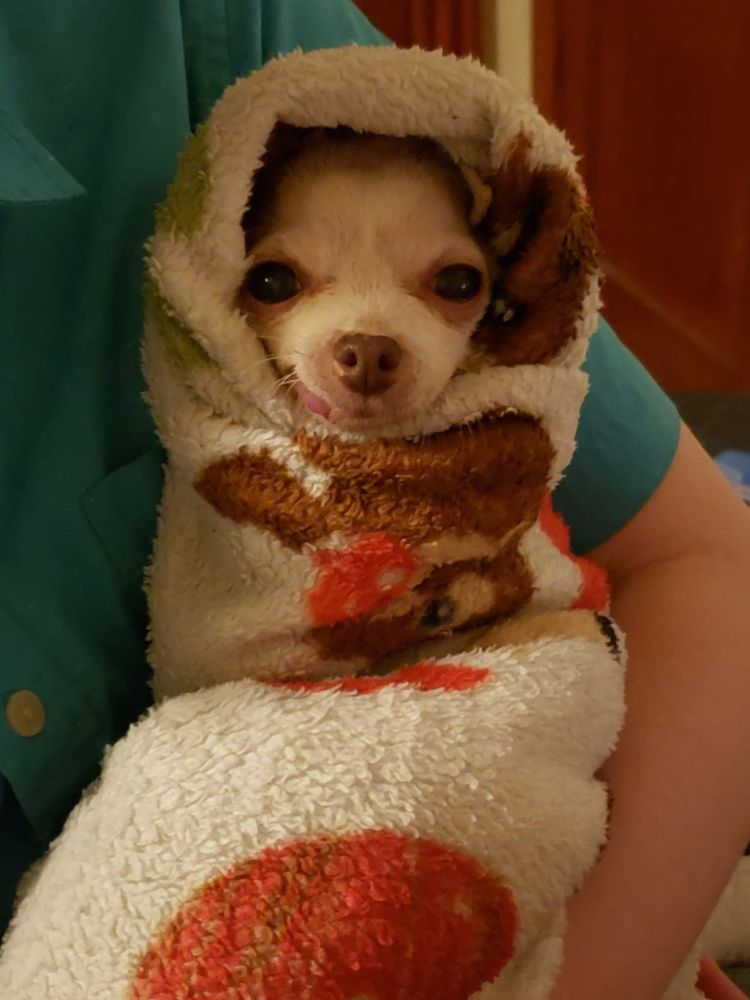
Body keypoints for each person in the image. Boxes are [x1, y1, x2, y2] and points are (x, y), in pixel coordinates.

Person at [1, 1, 748, 996]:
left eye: (450, 281)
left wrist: (618, 941)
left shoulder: (192, 30)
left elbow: (703, 561)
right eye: (279, 280)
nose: (363, 339)